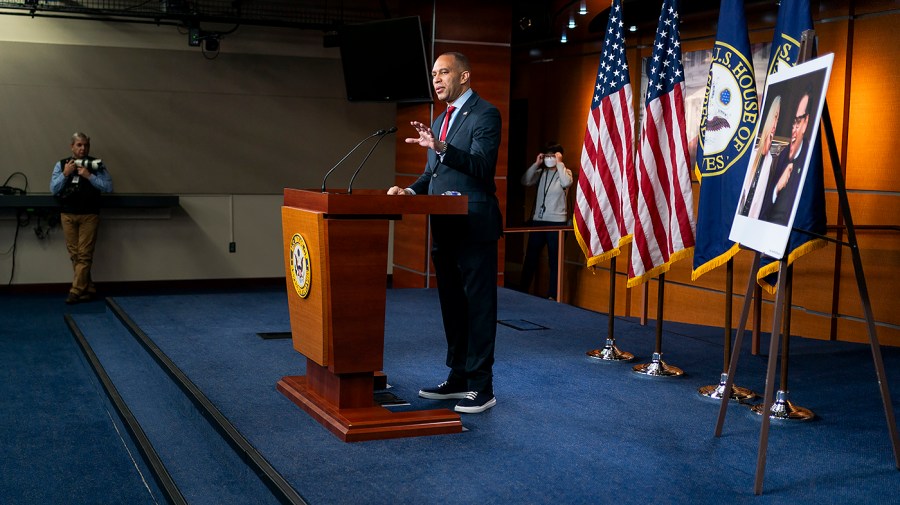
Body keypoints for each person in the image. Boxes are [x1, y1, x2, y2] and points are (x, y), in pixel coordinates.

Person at [387, 52, 502, 414]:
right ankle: (458, 377)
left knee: (479, 307)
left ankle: (482, 386)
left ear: (465, 76)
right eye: (434, 74)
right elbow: (432, 176)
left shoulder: (486, 114)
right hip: (445, 228)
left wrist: (440, 146)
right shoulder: (438, 121)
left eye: (444, 72)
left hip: (474, 225)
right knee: (452, 305)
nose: (437, 79)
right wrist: (408, 192)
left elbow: (482, 167)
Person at [50, 132, 113, 304]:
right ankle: (88, 288)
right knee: (75, 255)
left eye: (85, 145)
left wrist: (89, 176)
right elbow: (53, 189)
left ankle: (75, 290)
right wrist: (65, 173)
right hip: (68, 214)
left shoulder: (96, 164)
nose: (82, 148)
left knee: (84, 255)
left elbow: (108, 187)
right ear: (72, 146)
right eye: (79, 145)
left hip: (89, 215)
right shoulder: (62, 164)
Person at [519, 142, 573, 300]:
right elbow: (525, 180)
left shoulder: (565, 172)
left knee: (554, 260)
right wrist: (536, 164)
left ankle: (553, 295)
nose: (550, 159)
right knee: (530, 257)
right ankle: (522, 290)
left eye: (553, 155)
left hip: (557, 223)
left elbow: (567, 182)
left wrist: (560, 163)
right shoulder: (541, 173)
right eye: (547, 156)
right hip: (538, 221)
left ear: (559, 156)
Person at [760, 88, 812, 226]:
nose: (793, 130)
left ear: (806, 122)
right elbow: (764, 209)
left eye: (798, 121)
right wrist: (777, 189)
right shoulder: (782, 155)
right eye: (792, 122)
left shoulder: (809, 159)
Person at [737, 96, 781, 220]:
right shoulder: (751, 155)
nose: (775, 124)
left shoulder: (770, 161)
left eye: (778, 118)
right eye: (775, 116)